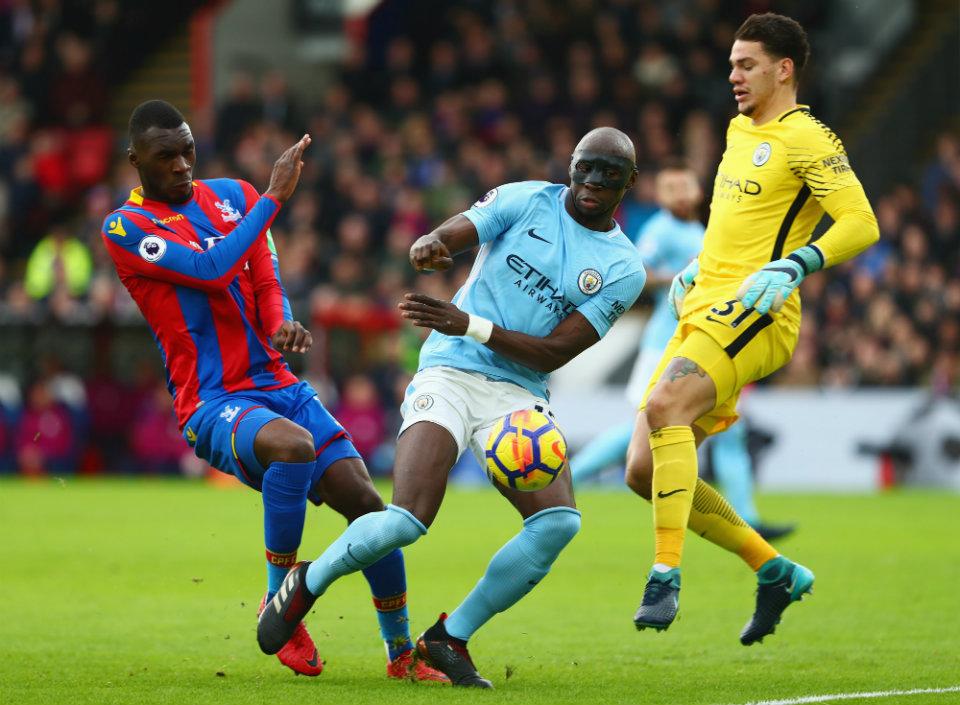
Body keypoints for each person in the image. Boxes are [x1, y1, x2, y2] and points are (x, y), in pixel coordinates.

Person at [258, 127, 647, 687]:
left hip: (517, 392)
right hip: (450, 369)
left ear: (629, 182)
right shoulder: (523, 198)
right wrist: (431, 245)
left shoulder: (623, 269)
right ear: (571, 164)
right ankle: (306, 583)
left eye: (610, 173)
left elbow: (560, 348)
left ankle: (447, 639)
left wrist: (474, 324)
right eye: (587, 166)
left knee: (558, 522)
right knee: (408, 518)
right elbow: (454, 234)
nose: (594, 181)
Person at [100, 100, 447, 683]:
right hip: (211, 399)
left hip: (276, 381)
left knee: (369, 506)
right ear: (135, 160)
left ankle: (401, 653)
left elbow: (263, 274)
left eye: (188, 149)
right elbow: (211, 269)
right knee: (291, 447)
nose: (183, 164)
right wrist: (274, 199)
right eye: (167, 156)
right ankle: (278, 599)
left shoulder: (231, 194)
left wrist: (279, 320)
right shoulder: (125, 228)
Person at [624, 13, 879, 644]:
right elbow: (737, 220)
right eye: (733, 64)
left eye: (747, 64)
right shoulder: (740, 129)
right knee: (639, 470)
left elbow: (861, 222)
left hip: (755, 310)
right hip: (700, 304)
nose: (733, 76)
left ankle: (665, 573)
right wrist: (695, 264)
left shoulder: (809, 138)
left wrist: (797, 263)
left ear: (783, 68)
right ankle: (773, 571)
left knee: (664, 406)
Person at [572, 161, 794, 540]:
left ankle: (748, 518)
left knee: (726, 430)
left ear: (697, 193)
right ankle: (567, 478)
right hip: (666, 343)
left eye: (684, 188)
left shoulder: (697, 229)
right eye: (670, 190)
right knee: (643, 430)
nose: (679, 196)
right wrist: (683, 278)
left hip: (704, 340)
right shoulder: (662, 229)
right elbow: (638, 272)